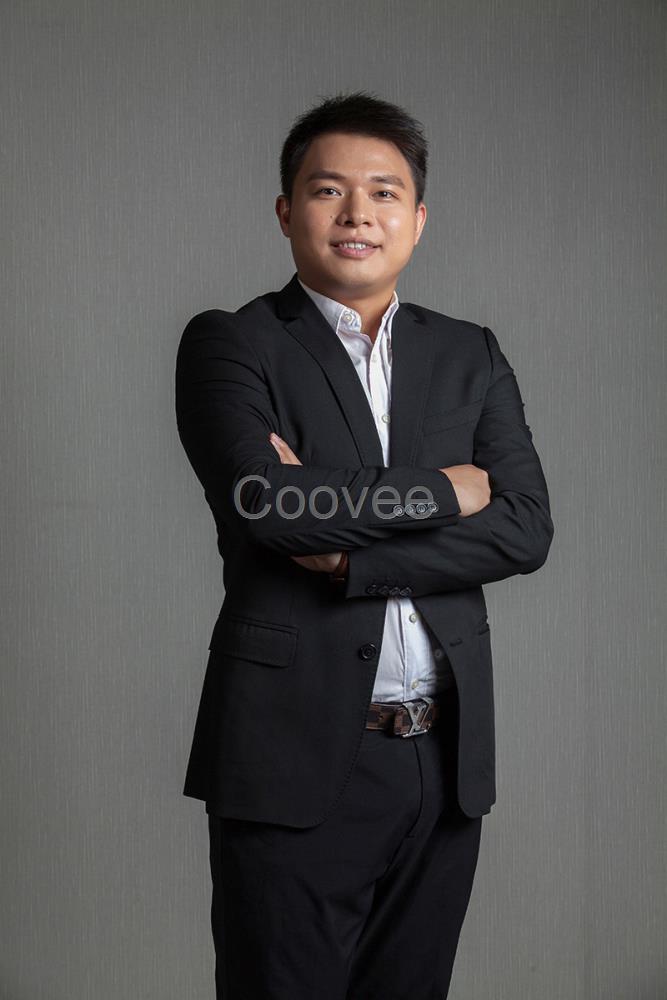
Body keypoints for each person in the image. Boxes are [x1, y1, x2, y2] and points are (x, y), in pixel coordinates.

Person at [175, 90, 554, 1000]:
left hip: (441, 760)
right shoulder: (232, 344)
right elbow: (270, 507)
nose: (357, 214)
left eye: (384, 193)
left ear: (417, 219)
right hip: (291, 755)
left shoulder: (468, 353)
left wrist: (352, 557)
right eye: (327, 190)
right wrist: (448, 491)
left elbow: (524, 526)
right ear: (286, 211)